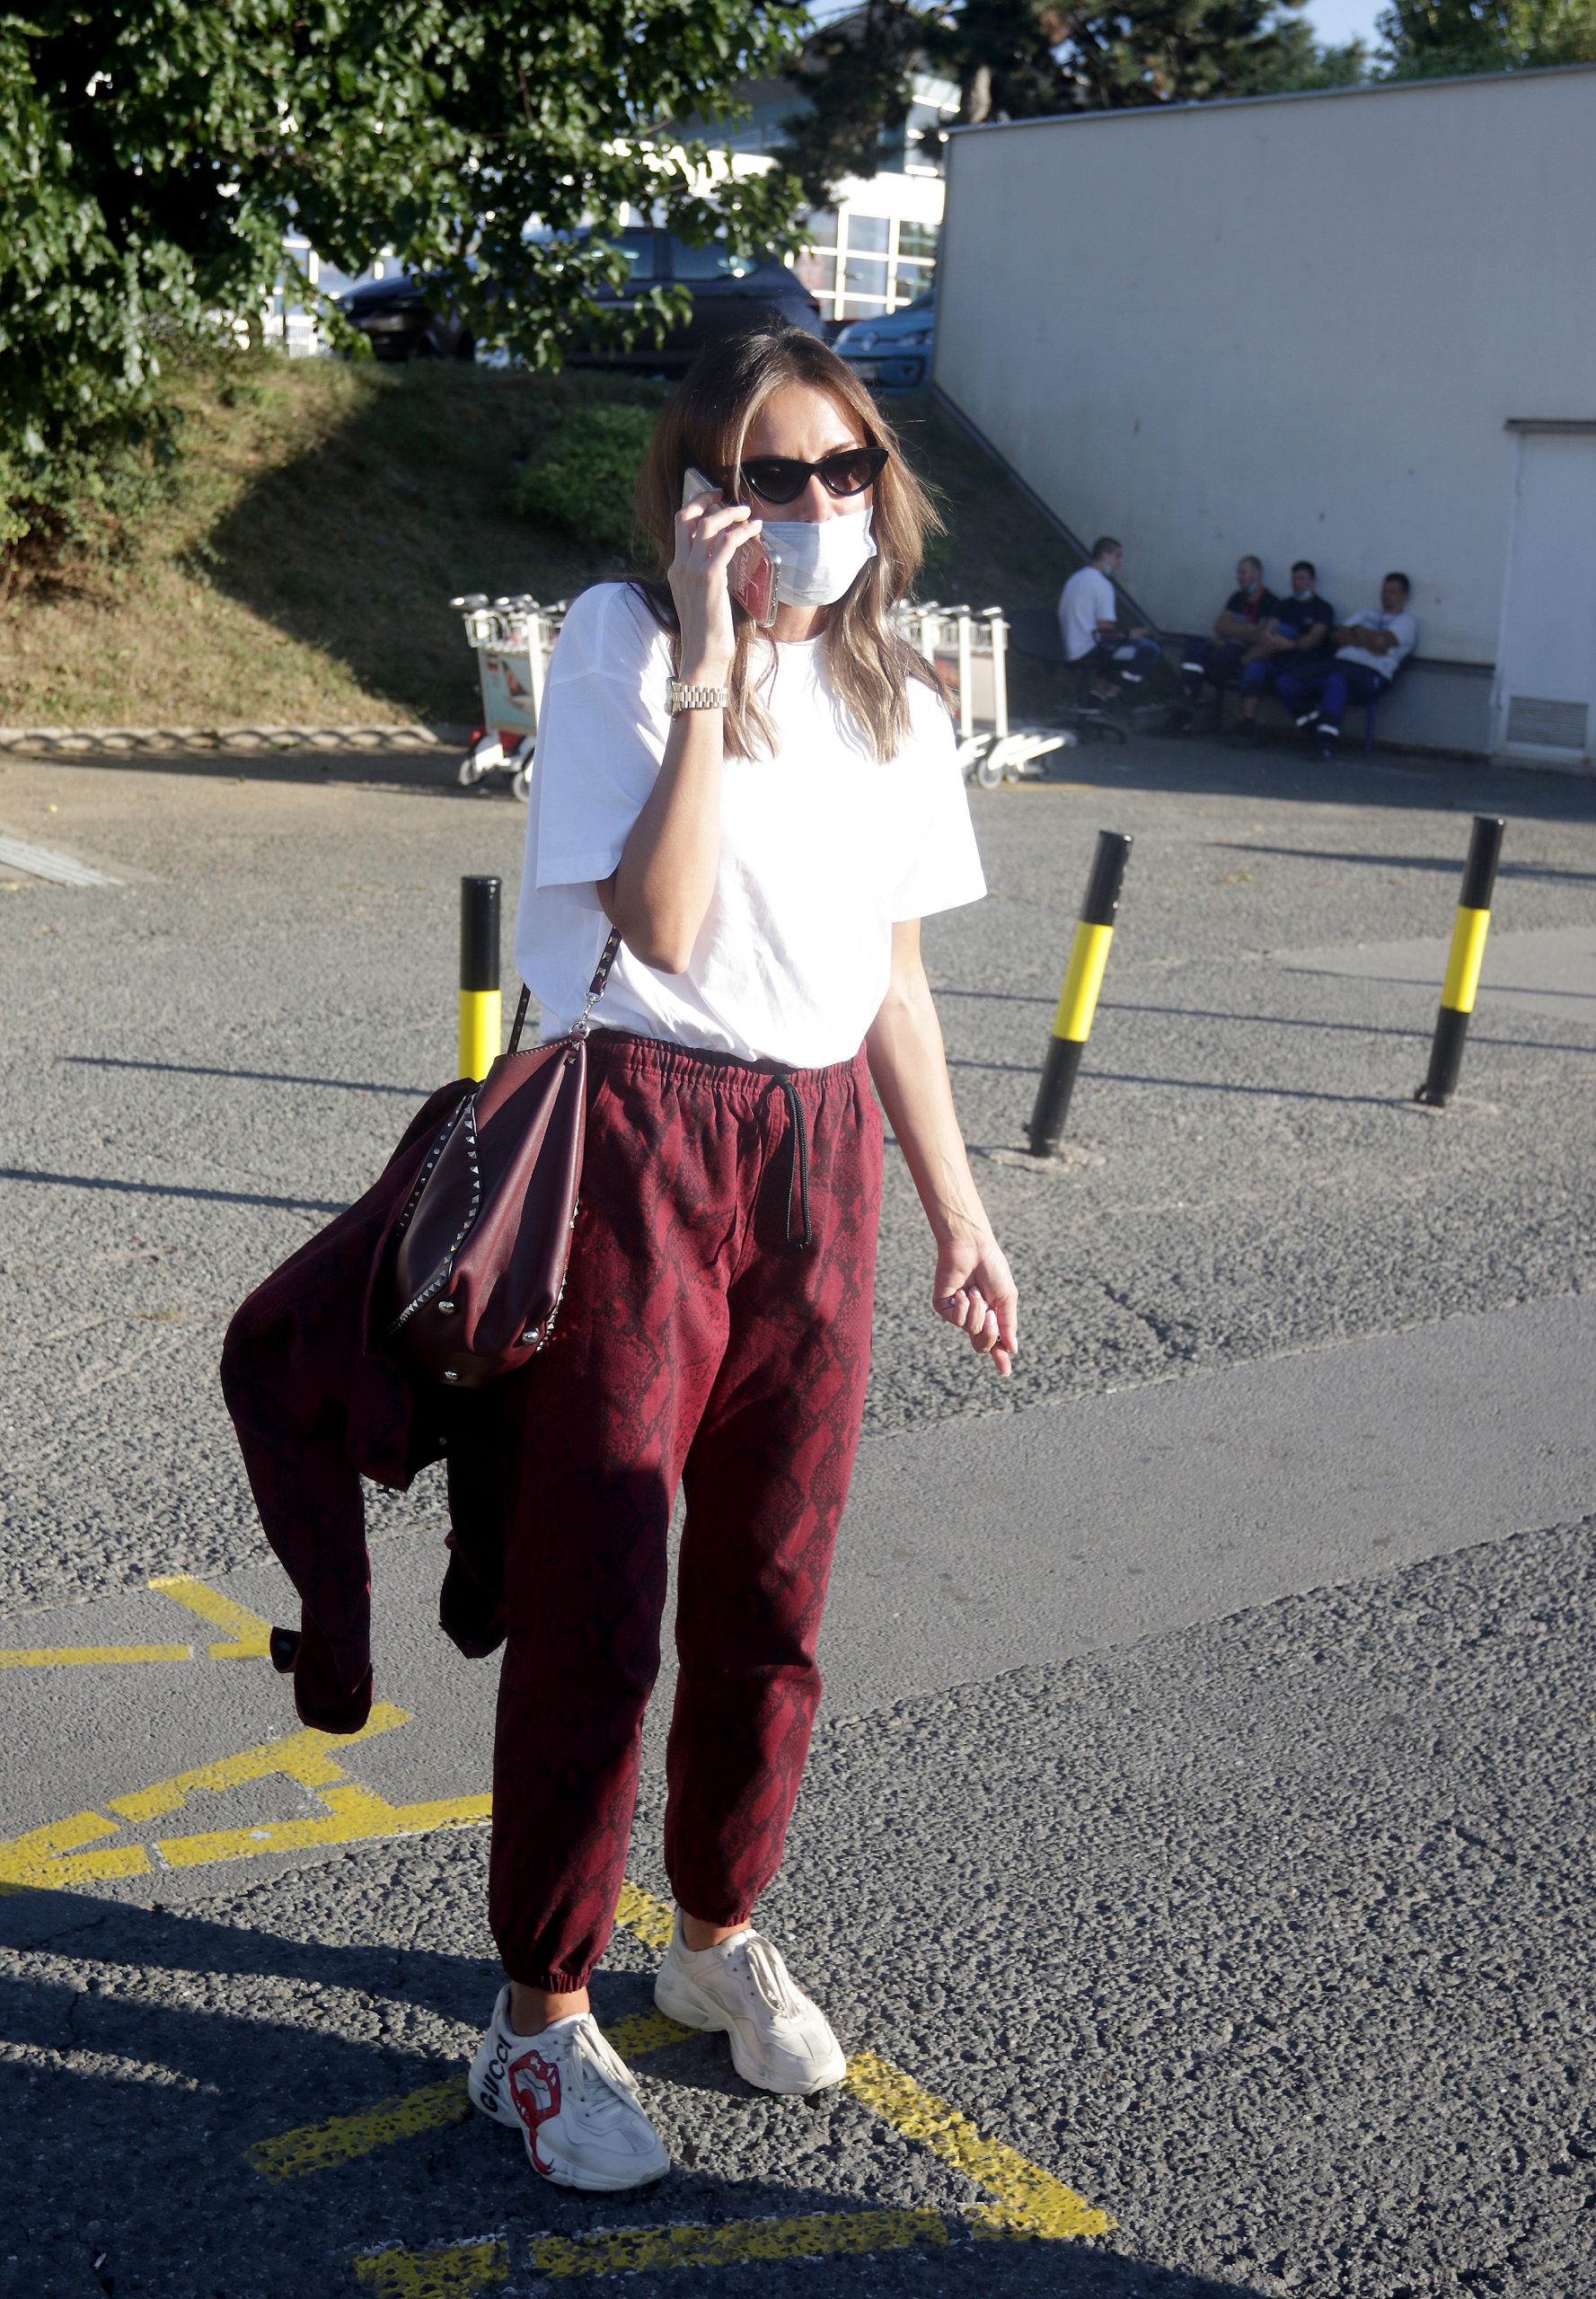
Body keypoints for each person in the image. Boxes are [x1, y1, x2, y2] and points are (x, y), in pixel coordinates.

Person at [465, 327, 1018, 2195]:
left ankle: (711, 1929)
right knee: (599, 1585)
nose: (818, 504)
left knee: (774, 1582)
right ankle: (536, 2013)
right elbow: (660, 919)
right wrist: (708, 667)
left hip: (817, 1153)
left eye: (846, 468)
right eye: (774, 475)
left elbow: (897, 983)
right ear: (702, 493)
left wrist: (959, 1215)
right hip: (641, 1130)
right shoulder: (621, 641)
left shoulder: (898, 694)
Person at [1275, 572, 1417, 759]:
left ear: (1404, 596)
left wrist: (1357, 633)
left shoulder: (1406, 622)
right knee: (1286, 682)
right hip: (1339, 662)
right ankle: (1314, 729)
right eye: (1384, 591)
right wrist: (1369, 640)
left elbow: (1381, 642)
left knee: (1336, 680)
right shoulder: (1367, 613)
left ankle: (1326, 744)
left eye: (1392, 592)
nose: (1386, 596)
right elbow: (1337, 636)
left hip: (1371, 673)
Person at [1164, 555, 1277, 733]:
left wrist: (1233, 628)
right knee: (1195, 646)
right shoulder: (1236, 598)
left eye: (1243, 572)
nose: (1239, 577)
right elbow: (1219, 626)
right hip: (1223, 649)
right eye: (1238, 573)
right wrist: (1247, 628)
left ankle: (1184, 711)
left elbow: (1259, 636)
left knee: (1212, 658)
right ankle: (1185, 702)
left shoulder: (1270, 601)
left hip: (1240, 657)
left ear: (1257, 573)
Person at [1230, 559, 1337, 746]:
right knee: (1256, 667)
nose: (1296, 583)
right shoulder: (1283, 605)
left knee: (1286, 634)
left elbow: (1313, 639)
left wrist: (1289, 643)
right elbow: (1267, 632)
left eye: (1301, 578)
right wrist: (1273, 639)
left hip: (1306, 665)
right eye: (1294, 579)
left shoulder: (1323, 608)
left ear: (1313, 580)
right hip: (1278, 659)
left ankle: (1315, 731)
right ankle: (1247, 725)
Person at [1057, 536, 1160, 701]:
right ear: (1105, 555)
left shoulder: (1076, 578)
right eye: (1118, 556)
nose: (1120, 563)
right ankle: (1111, 694)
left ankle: (1098, 689)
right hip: (1087, 650)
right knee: (1148, 649)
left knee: (1116, 648)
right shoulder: (1101, 584)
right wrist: (1130, 634)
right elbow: (1105, 630)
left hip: (1069, 647)